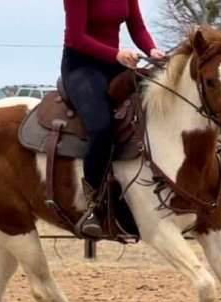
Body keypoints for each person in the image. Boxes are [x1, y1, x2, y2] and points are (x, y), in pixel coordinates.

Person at [62, 0, 166, 238]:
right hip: (81, 66)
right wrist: (116, 53)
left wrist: (151, 50)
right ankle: (93, 205)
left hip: (114, 65)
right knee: (101, 128)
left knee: (156, 104)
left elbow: (137, 26)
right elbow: (77, 37)